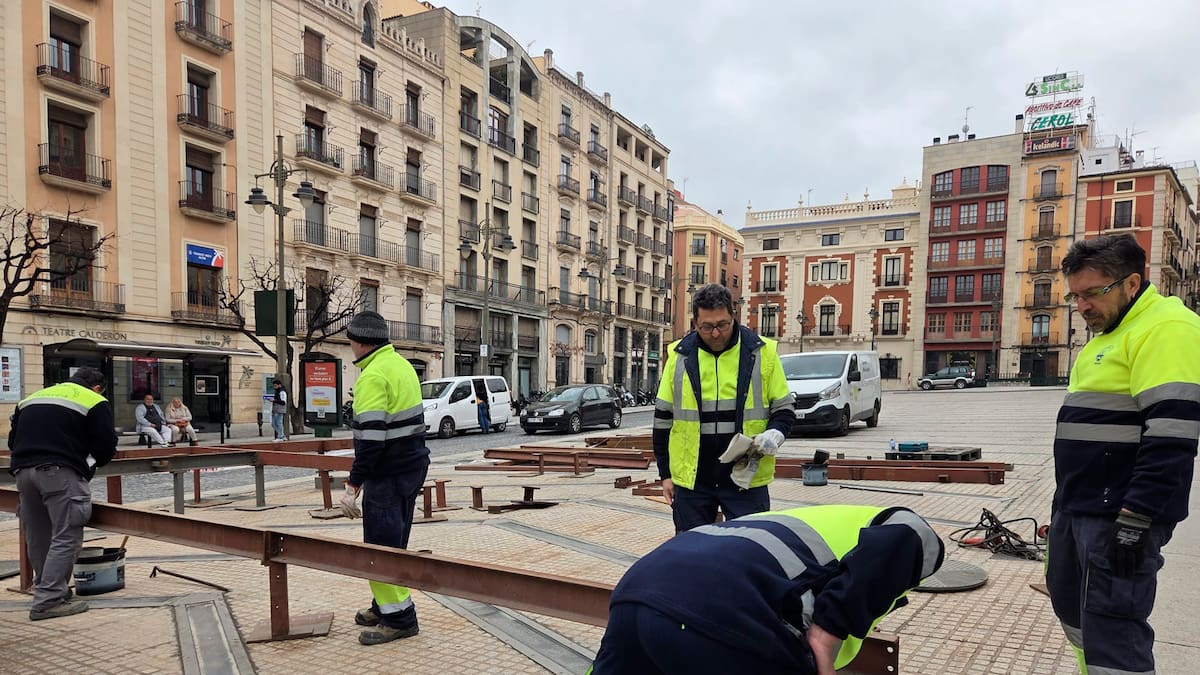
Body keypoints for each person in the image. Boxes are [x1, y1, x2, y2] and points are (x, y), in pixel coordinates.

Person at [1047, 234, 1200, 674]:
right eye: (1074, 296)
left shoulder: (1167, 329)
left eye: (1092, 293)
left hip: (1119, 515)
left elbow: (1171, 438)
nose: (1082, 307)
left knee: (1114, 629)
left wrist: (1136, 521)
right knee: (1075, 613)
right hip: (1080, 508)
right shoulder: (1111, 332)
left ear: (1131, 284)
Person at [590, 505, 945, 674]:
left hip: (637, 591)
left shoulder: (810, 523)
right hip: (724, 612)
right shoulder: (875, 527)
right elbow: (915, 531)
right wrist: (830, 631)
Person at [653, 283, 795, 533]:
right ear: (695, 322)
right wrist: (665, 473)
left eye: (722, 325)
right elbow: (663, 420)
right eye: (706, 327)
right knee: (692, 552)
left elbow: (783, 409)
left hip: (745, 475)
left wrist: (776, 433)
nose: (715, 333)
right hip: (693, 479)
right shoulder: (679, 357)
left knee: (754, 550)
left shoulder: (762, 353)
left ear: (733, 317)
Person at [337, 311, 431, 645]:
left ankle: (401, 619)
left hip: (387, 473)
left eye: (350, 341)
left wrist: (353, 484)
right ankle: (384, 606)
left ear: (359, 342)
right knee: (396, 540)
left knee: (380, 547)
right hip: (411, 467)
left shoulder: (373, 376)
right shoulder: (402, 365)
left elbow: (372, 440)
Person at [8, 367, 118, 621]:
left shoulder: (32, 398)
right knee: (66, 535)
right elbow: (105, 446)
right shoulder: (94, 400)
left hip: (23, 472)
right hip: (59, 472)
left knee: (38, 535)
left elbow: (13, 442)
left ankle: (48, 588)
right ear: (98, 387)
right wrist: (88, 464)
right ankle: (49, 600)